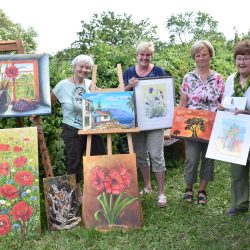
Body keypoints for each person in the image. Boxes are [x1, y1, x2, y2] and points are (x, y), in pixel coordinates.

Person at [123, 41, 169, 207]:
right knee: (141, 155)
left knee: (156, 155)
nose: (144, 57)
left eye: (148, 54)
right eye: (142, 54)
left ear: (151, 56)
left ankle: (162, 193)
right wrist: (129, 85)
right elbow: (121, 94)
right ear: (137, 56)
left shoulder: (159, 71)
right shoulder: (128, 72)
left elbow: (166, 95)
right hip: (135, 122)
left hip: (155, 122)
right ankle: (148, 187)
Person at [51, 55, 106, 193]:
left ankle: (95, 193)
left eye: (87, 67)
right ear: (74, 67)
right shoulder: (62, 85)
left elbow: (101, 101)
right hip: (72, 128)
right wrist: (37, 115)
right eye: (81, 66)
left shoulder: (90, 84)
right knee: (74, 163)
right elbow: (49, 104)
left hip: (91, 127)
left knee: (99, 158)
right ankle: (76, 195)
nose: (84, 69)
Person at [179, 40, 224, 204]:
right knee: (191, 158)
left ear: (210, 55)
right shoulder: (188, 78)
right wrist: (176, 127)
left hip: (213, 123)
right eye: (197, 55)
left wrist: (222, 107)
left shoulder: (218, 78)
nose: (201, 58)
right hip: (193, 124)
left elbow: (222, 101)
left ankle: (202, 190)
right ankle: (188, 188)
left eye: (204, 54)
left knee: (208, 157)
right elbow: (183, 103)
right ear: (194, 57)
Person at [218, 40, 250, 217]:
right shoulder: (231, 78)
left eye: (246, 58)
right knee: (238, 170)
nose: (242, 62)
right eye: (239, 58)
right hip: (236, 131)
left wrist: (247, 112)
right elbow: (227, 101)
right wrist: (223, 108)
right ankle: (240, 204)